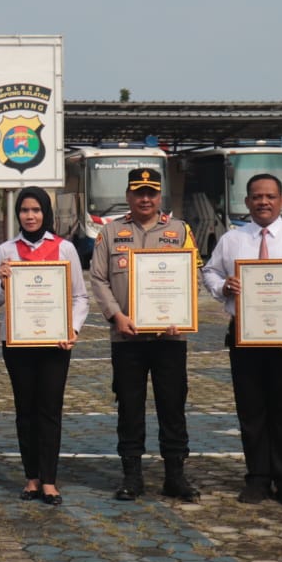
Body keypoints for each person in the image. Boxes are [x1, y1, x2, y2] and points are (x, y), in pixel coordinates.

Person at [202, 173, 282, 507]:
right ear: (246, 202)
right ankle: (257, 478)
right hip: (244, 337)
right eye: (257, 197)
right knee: (252, 411)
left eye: (270, 196)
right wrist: (223, 287)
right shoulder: (232, 240)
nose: (263, 202)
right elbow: (209, 272)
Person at [88, 169, 202, 502]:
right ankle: (131, 476)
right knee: (130, 407)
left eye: (151, 192)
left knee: (172, 406)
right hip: (127, 338)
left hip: (170, 338)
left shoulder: (180, 231)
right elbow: (98, 279)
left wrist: (180, 313)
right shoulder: (110, 233)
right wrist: (116, 315)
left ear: (159, 195)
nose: (145, 198)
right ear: (128, 196)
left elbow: (193, 276)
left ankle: (175, 476)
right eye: (139, 192)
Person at [0, 187, 88, 505]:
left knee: (49, 409)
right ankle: (31, 477)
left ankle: (49, 480)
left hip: (54, 342)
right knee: (25, 410)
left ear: (46, 212)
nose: (30, 216)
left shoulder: (65, 249)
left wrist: (71, 328)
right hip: (17, 342)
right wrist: (4, 281)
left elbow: (79, 297)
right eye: (24, 210)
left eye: (36, 210)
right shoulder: (6, 250)